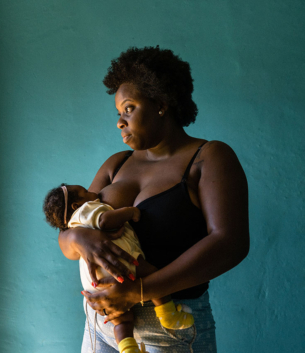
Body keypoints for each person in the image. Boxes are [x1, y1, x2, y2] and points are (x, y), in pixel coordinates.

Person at [57, 46, 249, 353]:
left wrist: (140, 291)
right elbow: (67, 238)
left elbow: (230, 243)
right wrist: (79, 238)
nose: (120, 121)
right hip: (104, 327)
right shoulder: (116, 164)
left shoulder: (209, 158)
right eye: (118, 113)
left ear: (161, 104)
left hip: (171, 332)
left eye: (129, 108)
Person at [43, 184, 195, 353]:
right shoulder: (87, 209)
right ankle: (168, 315)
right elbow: (105, 221)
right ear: (75, 206)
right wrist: (129, 212)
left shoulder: (73, 223)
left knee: (122, 320)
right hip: (121, 264)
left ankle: (128, 348)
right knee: (151, 272)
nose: (93, 192)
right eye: (85, 192)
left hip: (96, 284)